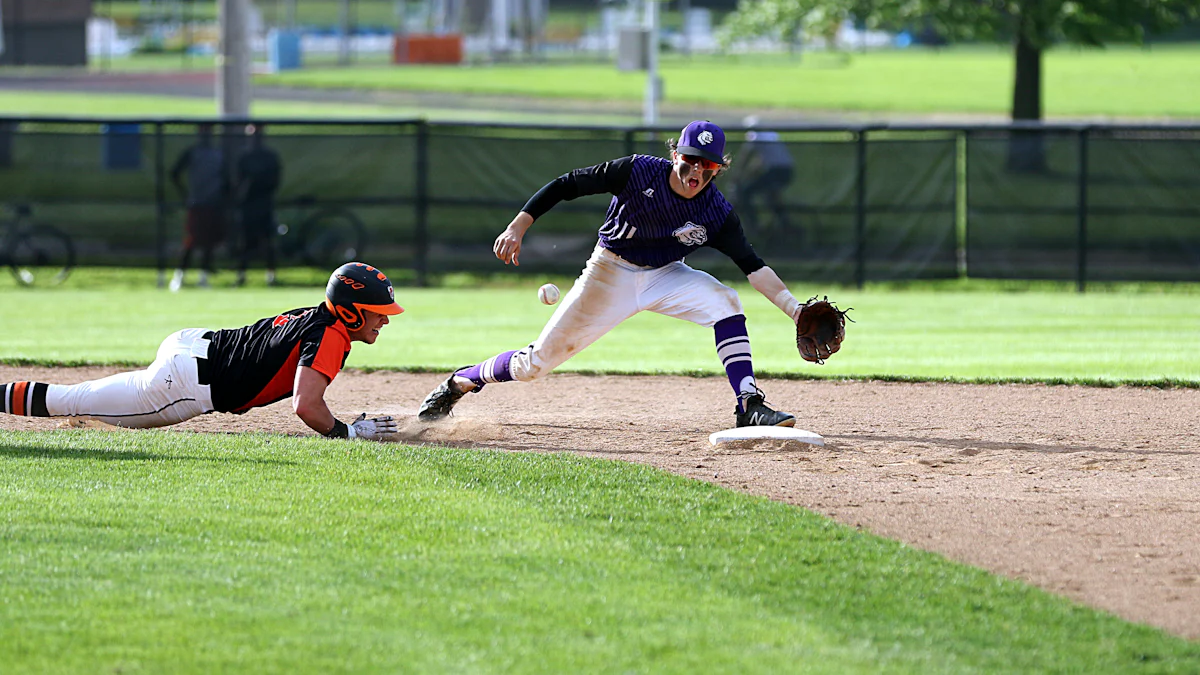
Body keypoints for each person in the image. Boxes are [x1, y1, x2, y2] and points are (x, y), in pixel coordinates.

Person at [418, 120, 823, 429]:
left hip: (667, 274)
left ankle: (749, 405)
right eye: (690, 159)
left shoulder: (716, 212)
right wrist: (518, 225)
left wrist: (793, 308)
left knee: (725, 302)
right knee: (534, 365)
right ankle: (459, 382)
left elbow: (753, 266)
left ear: (719, 169)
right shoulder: (637, 172)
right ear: (675, 154)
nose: (696, 170)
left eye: (708, 164)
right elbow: (567, 184)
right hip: (610, 272)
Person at [1, 263, 403, 441]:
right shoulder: (331, 334)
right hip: (186, 384)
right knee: (71, 400)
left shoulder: (313, 317)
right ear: (351, 311)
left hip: (193, 345)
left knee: (89, 398)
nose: (385, 320)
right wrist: (347, 433)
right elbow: (306, 406)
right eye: (378, 313)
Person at [169, 123, 229, 292]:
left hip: (214, 203)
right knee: (191, 240)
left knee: (209, 242)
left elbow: (226, 180)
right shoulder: (192, 153)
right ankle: (179, 276)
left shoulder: (218, 155)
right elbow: (174, 173)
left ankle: (204, 277)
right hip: (196, 203)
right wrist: (185, 194)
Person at [732, 116, 797, 241]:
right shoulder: (771, 135)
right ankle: (785, 225)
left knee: (746, 193)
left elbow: (744, 158)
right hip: (787, 170)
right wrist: (749, 174)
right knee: (770, 196)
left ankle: (755, 227)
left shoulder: (754, 136)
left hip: (776, 171)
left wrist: (737, 176)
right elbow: (761, 160)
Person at [234, 123, 283, 287]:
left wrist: (261, 183)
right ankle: (241, 275)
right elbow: (239, 182)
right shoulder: (244, 157)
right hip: (248, 206)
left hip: (264, 205)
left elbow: (275, 181)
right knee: (245, 242)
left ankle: (271, 275)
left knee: (267, 241)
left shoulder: (270, 157)